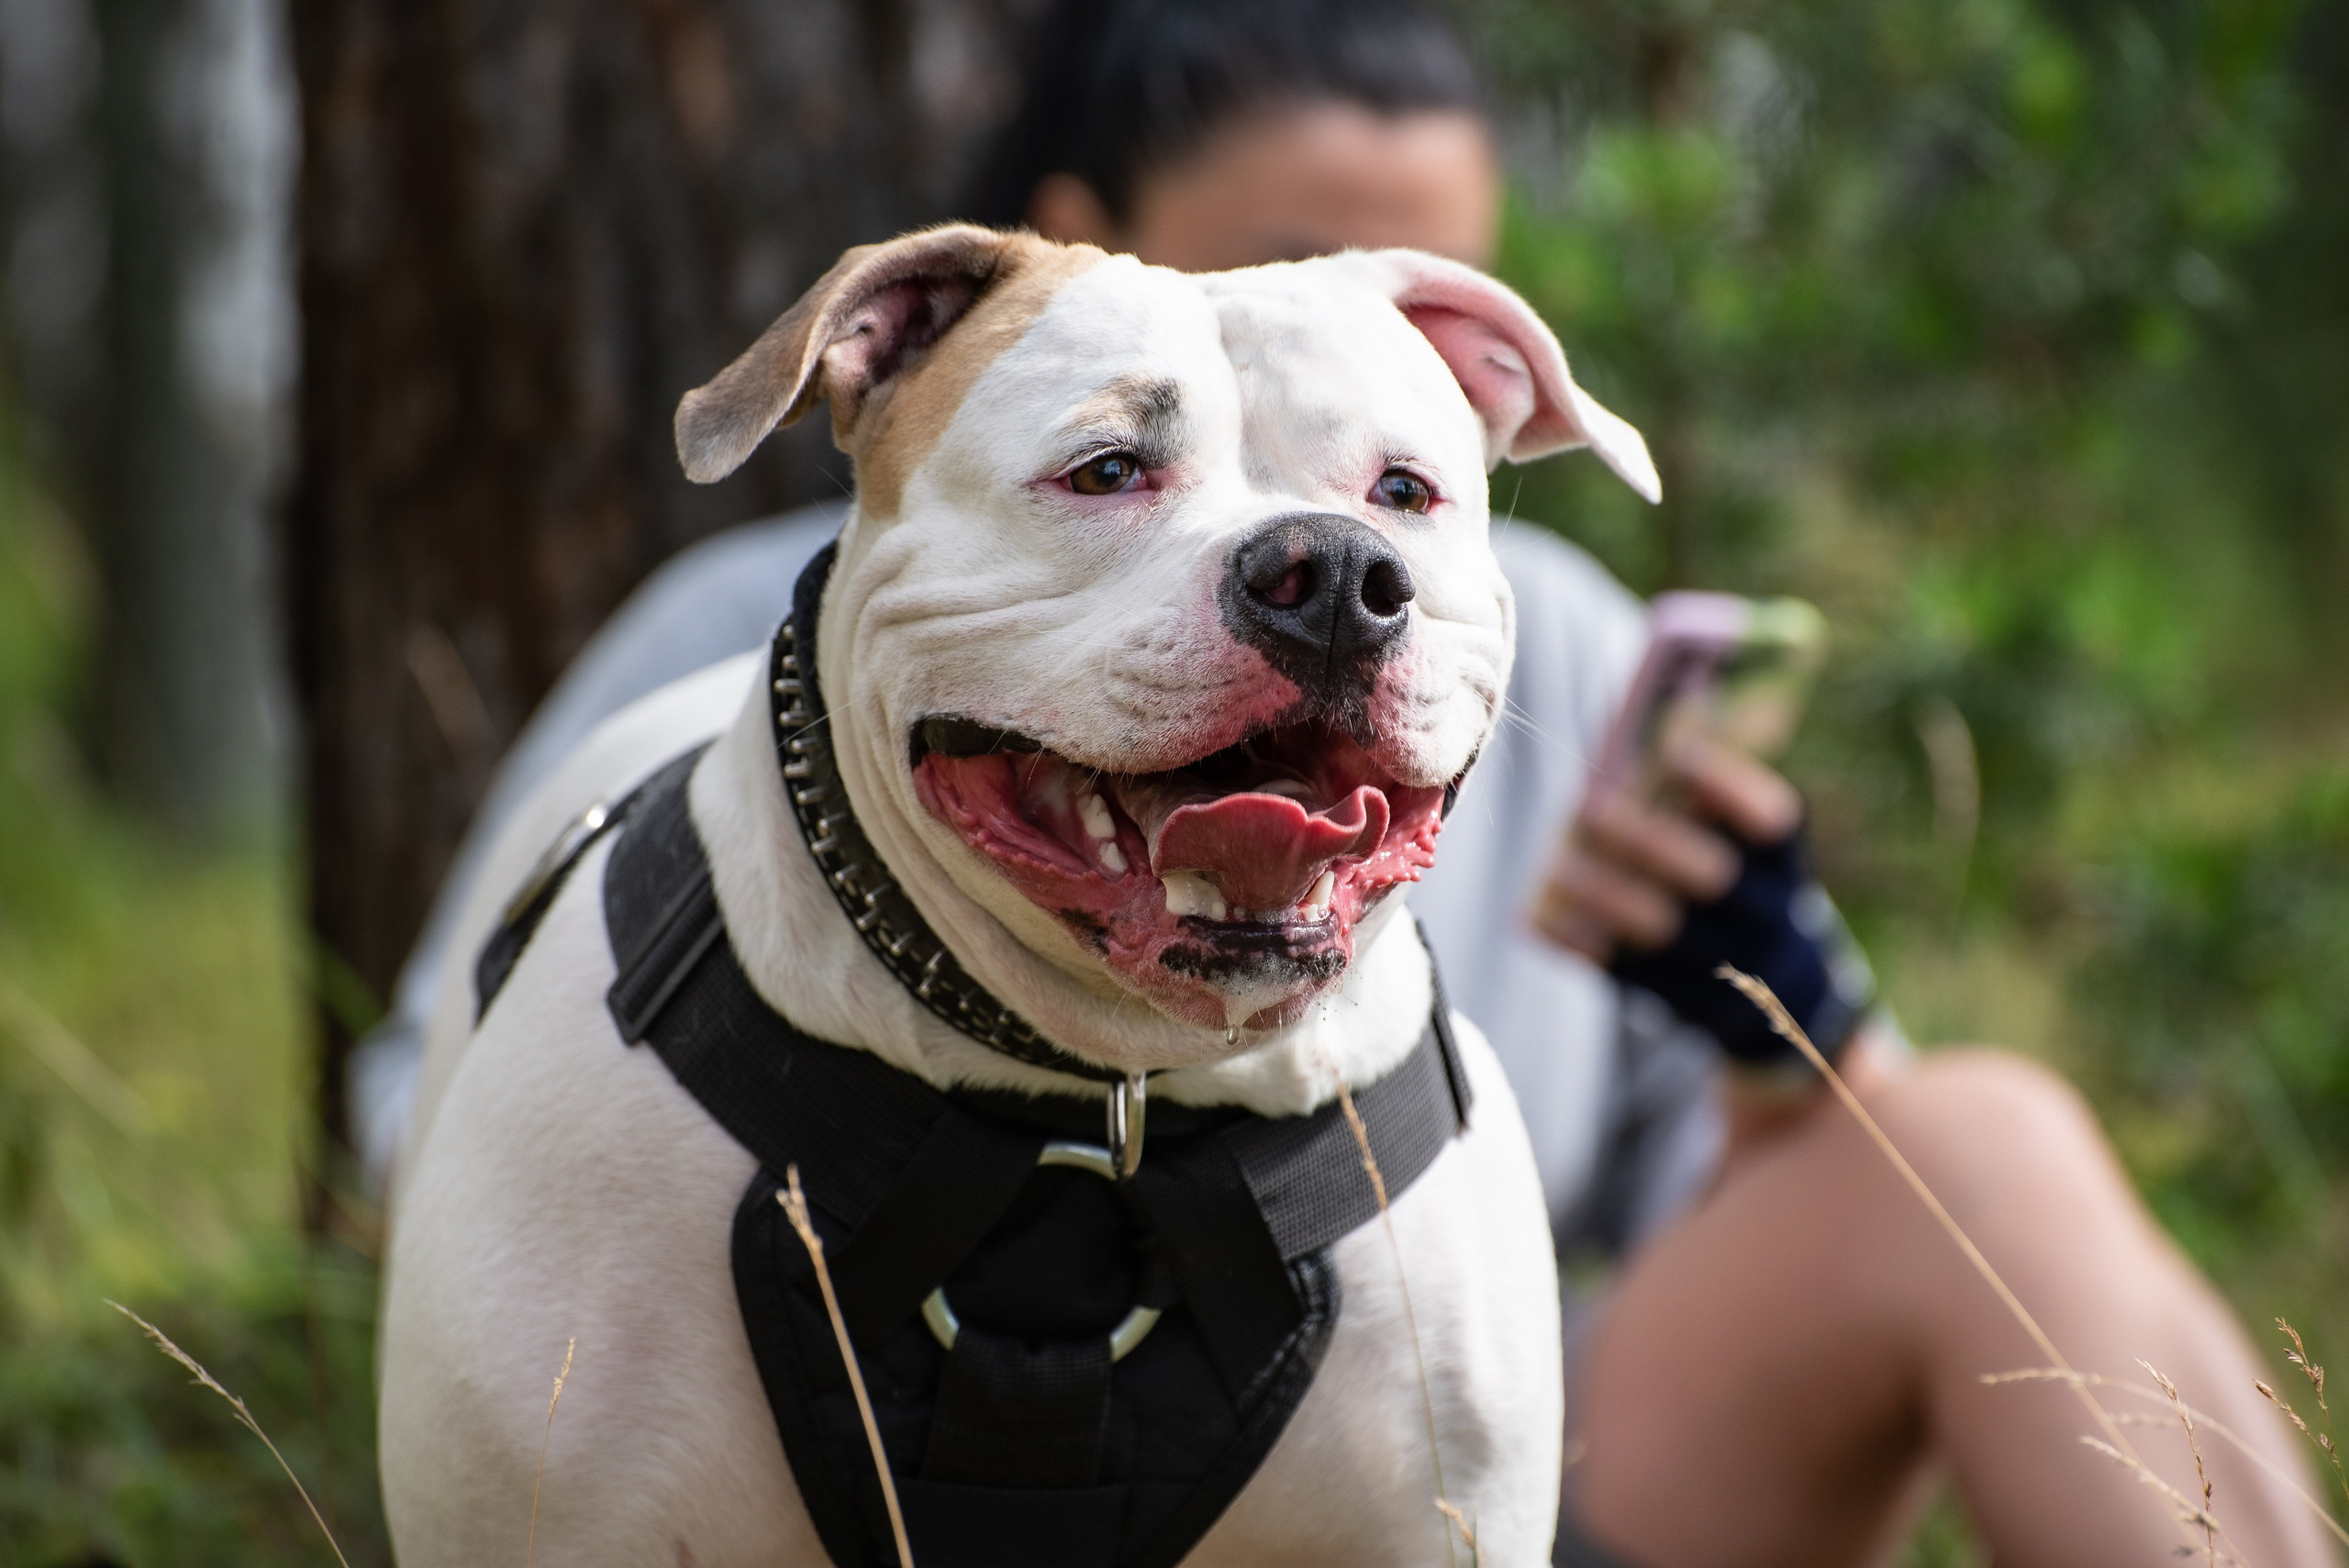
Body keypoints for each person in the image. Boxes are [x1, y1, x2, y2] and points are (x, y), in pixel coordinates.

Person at [353, 3, 2333, 1563]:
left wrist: (1771, 1007)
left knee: (1974, 1142)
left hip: (1386, 1449)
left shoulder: (1521, 639)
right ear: (1063, 239)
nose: (1312, 545)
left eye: (1388, 415)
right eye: (1283, 275)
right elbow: (411, 1116)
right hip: (770, 1409)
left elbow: (1750, 1206)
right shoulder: (745, 639)